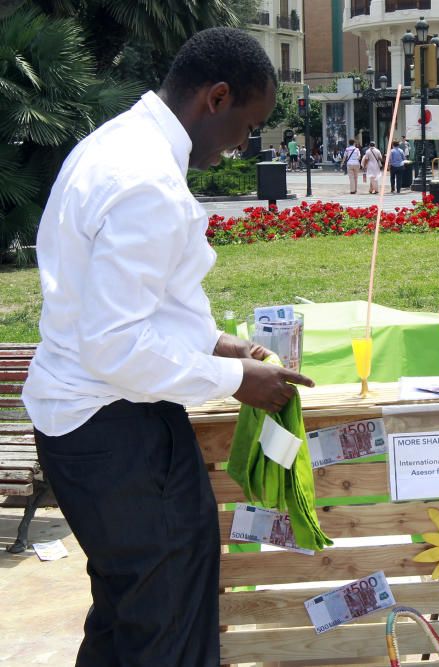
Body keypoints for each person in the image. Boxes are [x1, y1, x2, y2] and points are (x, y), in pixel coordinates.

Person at [22, 27, 315, 666]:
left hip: (87, 422)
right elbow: (115, 345)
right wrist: (236, 381)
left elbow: (126, 305)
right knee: (168, 623)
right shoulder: (147, 181)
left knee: (131, 611)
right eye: (248, 124)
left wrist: (215, 342)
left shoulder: (114, 144)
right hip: (114, 428)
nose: (246, 142)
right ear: (216, 98)